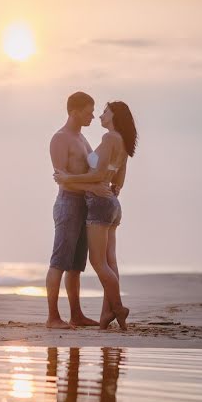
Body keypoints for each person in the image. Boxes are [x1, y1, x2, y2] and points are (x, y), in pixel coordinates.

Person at [54, 101, 137, 331]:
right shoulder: (122, 141)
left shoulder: (110, 138)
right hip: (111, 204)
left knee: (98, 262)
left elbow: (99, 173)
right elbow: (118, 182)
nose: (100, 115)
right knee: (110, 261)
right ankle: (106, 313)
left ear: (114, 116)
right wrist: (106, 186)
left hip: (100, 204)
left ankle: (118, 307)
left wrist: (68, 179)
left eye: (104, 112)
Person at [46, 92, 115, 330]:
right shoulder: (60, 138)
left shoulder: (82, 139)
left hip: (84, 205)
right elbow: (62, 180)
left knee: (76, 265)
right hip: (67, 204)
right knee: (59, 262)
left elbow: (92, 169)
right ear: (74, 111)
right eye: (88, 112)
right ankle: (53, 317)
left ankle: (76, 315)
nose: (92, 116)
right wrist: (93, 186)